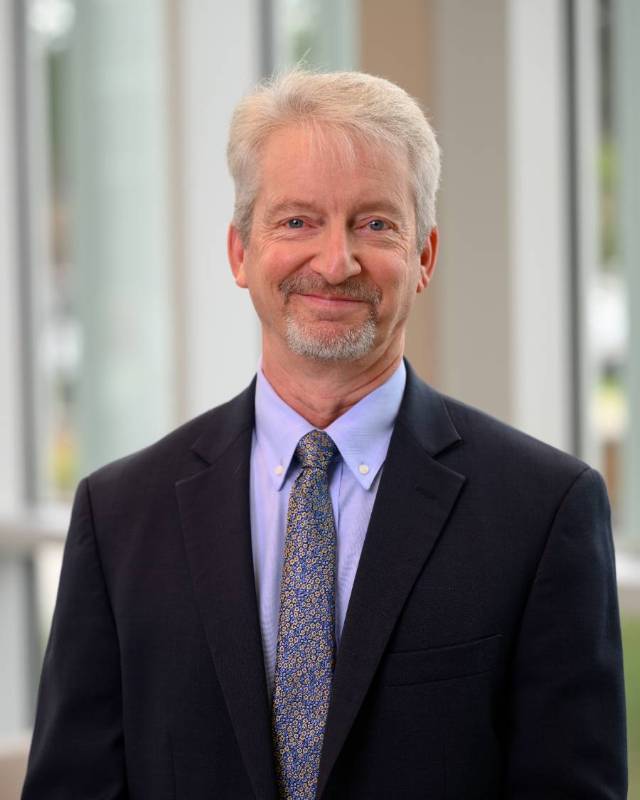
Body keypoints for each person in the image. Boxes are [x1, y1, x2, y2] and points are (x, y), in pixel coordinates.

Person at [22, 70, 627, 800]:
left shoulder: (543, 512)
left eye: (374, 224)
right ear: (240, 252)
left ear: (425, 255)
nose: (335, 262)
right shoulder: (118, 518)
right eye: (298, 221)